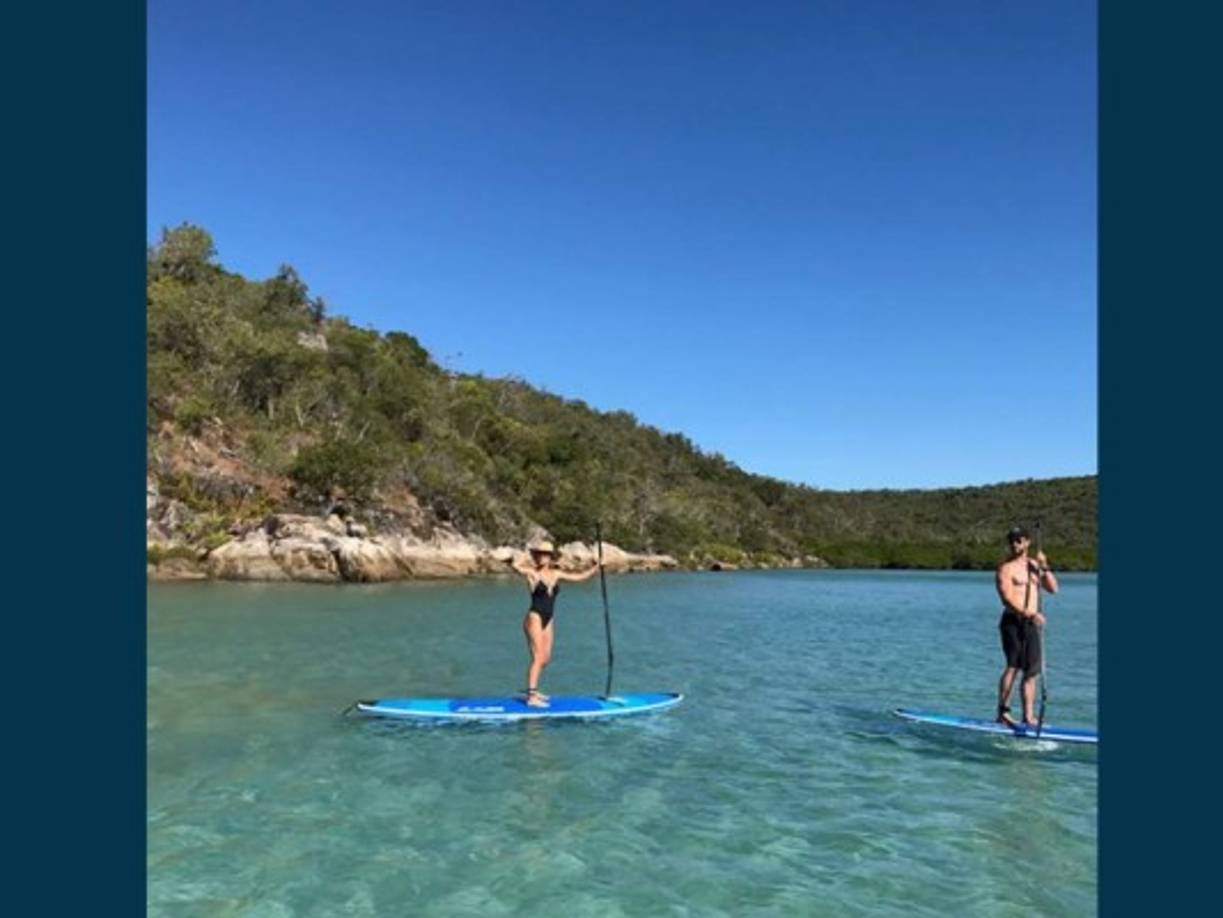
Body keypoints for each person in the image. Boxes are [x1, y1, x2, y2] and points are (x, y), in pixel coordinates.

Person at [509, 541, 601, 707]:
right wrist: (518, 561)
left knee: (545, 658)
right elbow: (517, 568)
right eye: (539, 554)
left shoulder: (556, 573)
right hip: (535, 617)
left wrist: (596, 568)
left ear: (550, 557)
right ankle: (531, 696)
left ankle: (533, 690)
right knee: (537, 658)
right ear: (536, 556)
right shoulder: (532, 573)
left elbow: (579, 577)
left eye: (546, 554)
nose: (542, 557)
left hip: (549, 619)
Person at [995, 525, 1058, 727]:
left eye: (1019, 540)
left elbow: (1053, 589)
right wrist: (1030, 613)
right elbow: (1006, 599)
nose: (1015, 544)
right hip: (1013, 623)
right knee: (1013, 666)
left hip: (1032, 624)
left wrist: (1044, 566)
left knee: (1031, 671)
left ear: (1027, 542)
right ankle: (1003, 712)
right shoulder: (1006, 568)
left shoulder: (1034, 565)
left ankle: (1028, 717)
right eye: (1012, 540)